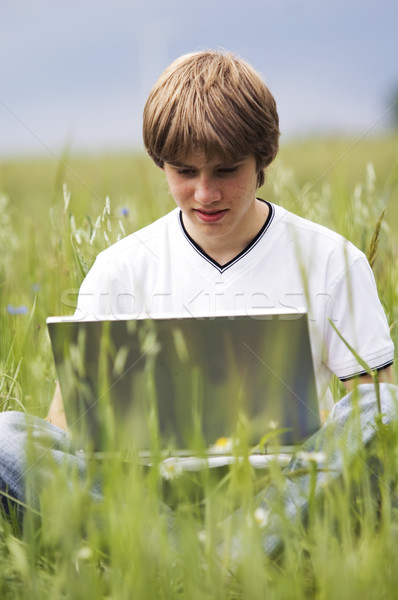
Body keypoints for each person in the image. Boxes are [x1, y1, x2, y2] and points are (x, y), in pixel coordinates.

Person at [0, 50, 396, 558]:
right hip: (140, 492)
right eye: (184, 171)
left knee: (389, 413)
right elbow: (63, 429)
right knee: (8, 437)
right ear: (160, 163)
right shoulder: (120, 267)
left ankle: (195, 553)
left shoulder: (332, 260)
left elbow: (377, 413)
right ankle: (221, 553)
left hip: (286, 488)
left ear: (262, 160)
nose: (204, 193)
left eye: (226, 170)